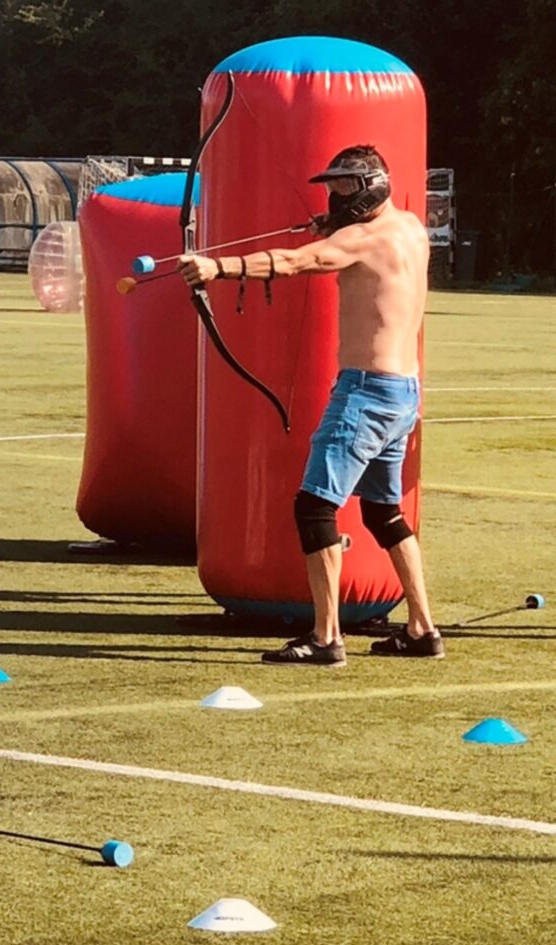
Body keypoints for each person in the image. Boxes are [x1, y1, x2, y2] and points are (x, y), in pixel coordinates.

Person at [178, 145, 444, 666]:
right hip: (403, 391)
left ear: (370, 185)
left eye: (345, 187)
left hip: (366, 392)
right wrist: (330, 225)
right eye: (334, 187)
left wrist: (217, 267)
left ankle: (326, 638)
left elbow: (299, 262)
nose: (336, 196)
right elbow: (344, 246)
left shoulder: (357, 240)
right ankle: (421, 629)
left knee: (315, 507)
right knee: (384, 512)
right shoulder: (410, 227)